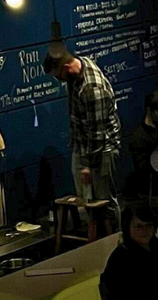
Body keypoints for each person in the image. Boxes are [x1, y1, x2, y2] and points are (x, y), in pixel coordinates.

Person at [45, 37, 122, 229]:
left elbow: (97, 133)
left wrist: (87, 165)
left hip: (102, 149)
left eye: (58, 77)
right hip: (83, 146)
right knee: (86, 198)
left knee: (105, 200)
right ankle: (97, 233)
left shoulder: (91, 88)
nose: (59, 81)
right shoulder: (78, 68)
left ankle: (115, 236)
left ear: (66, 68)